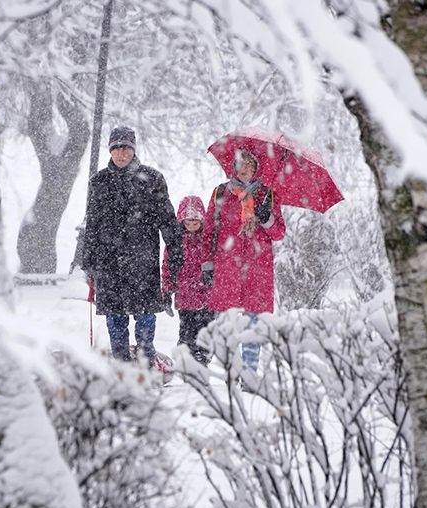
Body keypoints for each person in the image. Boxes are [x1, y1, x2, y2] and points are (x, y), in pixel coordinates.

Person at [81, 126, 183, 366]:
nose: (121, 153)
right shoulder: (99, 181)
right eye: (116, 148)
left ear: (134, 149)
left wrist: (175, 250)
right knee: (115, 318)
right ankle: (122, 364)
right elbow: (92, 222)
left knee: (145, 315)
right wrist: (89, 260)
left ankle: (146, 361)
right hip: (109, 260)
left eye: (125, 147)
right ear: (110, 150)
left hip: (142, 258)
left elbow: (166, 218)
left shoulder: (153, 178)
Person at [200, 150, 285, 372]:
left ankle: (249, 372)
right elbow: (209, 231)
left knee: (253, 324)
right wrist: (207, 264)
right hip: (227, 267)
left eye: (250, 164)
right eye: (241, 164)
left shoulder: (268, 195)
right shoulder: (221, 193)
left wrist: (267, 219)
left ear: (258, 168)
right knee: (224, 324)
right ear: (234, 167)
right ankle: (231, 370)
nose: (246, 168)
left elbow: (279, 234)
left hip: (258, 269)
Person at [162, 196, 216, 365]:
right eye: (188, 224)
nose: (192, 228)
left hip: (205, 295)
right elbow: (167, 267)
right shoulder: (176, 241)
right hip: (184, 295)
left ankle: (201, 360)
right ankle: (186, 360)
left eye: (196, 224)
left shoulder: (208, 240)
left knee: (205, 331)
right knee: (186, 331)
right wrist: (167, 290)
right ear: (181, 221)